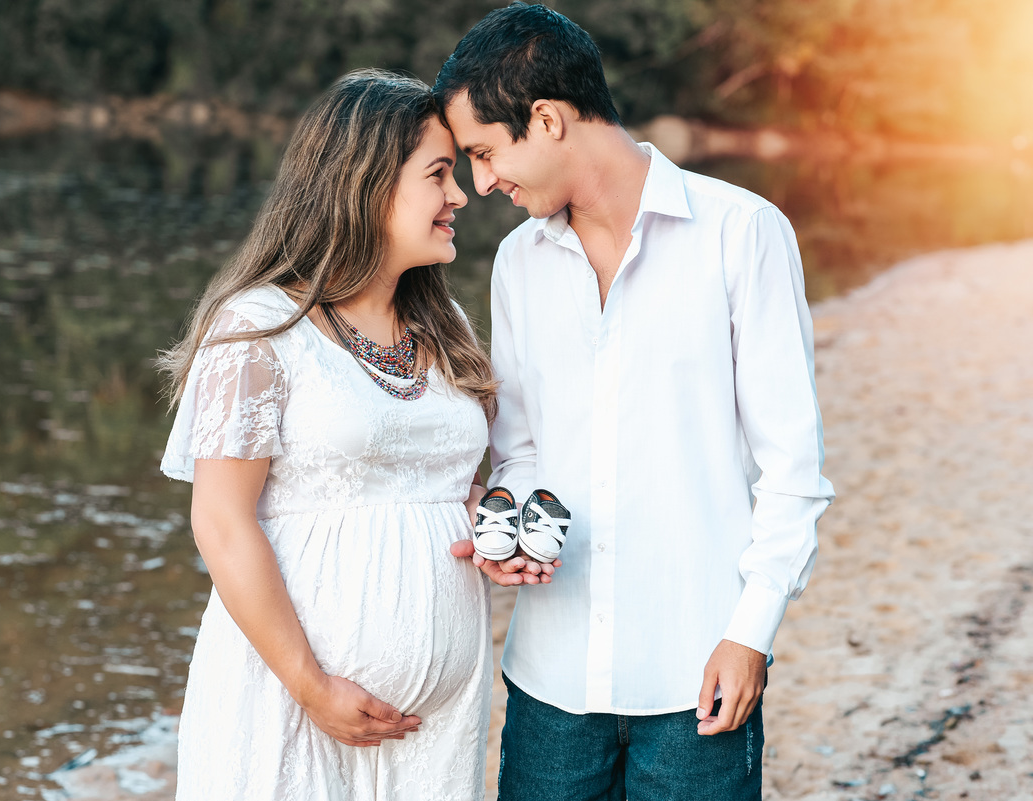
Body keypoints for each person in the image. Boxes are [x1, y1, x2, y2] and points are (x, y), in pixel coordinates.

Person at [436, 4, 835, 800]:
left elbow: (792, 470)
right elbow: (519, 448)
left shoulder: (743, 234)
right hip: (550, 685)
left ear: (545, 119)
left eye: (484, 152)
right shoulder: (518, 262)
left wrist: (748, 635)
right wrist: (508, 526)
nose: (480, 184)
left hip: (697, 675)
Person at [159, 69, 499, 800]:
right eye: (439, 174)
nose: (460, 195)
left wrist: (494, 519)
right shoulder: (258, 328)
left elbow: (460, 483)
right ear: (368, 183)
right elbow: (220, 519)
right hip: (290, 703)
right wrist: (310, 684)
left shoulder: (447, 328)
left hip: (436, 722)